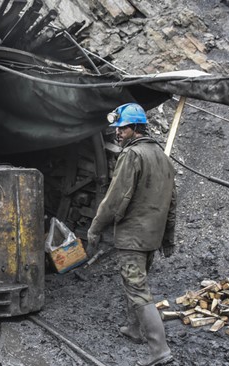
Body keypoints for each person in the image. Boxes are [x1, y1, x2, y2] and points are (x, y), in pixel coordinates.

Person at [87, 103, 176, 366]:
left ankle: (160, 351)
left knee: (138, 290)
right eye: (117, 128)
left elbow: (115, 199)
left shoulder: (133, 156)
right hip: (151, 238)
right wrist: (168, 239)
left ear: (136, 128)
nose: (118, 133)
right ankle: (136, 330)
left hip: (133, 238)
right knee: (135, 284)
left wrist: (95, 228)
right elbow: (172, 202)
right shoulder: (162, 157)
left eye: (123, 128)